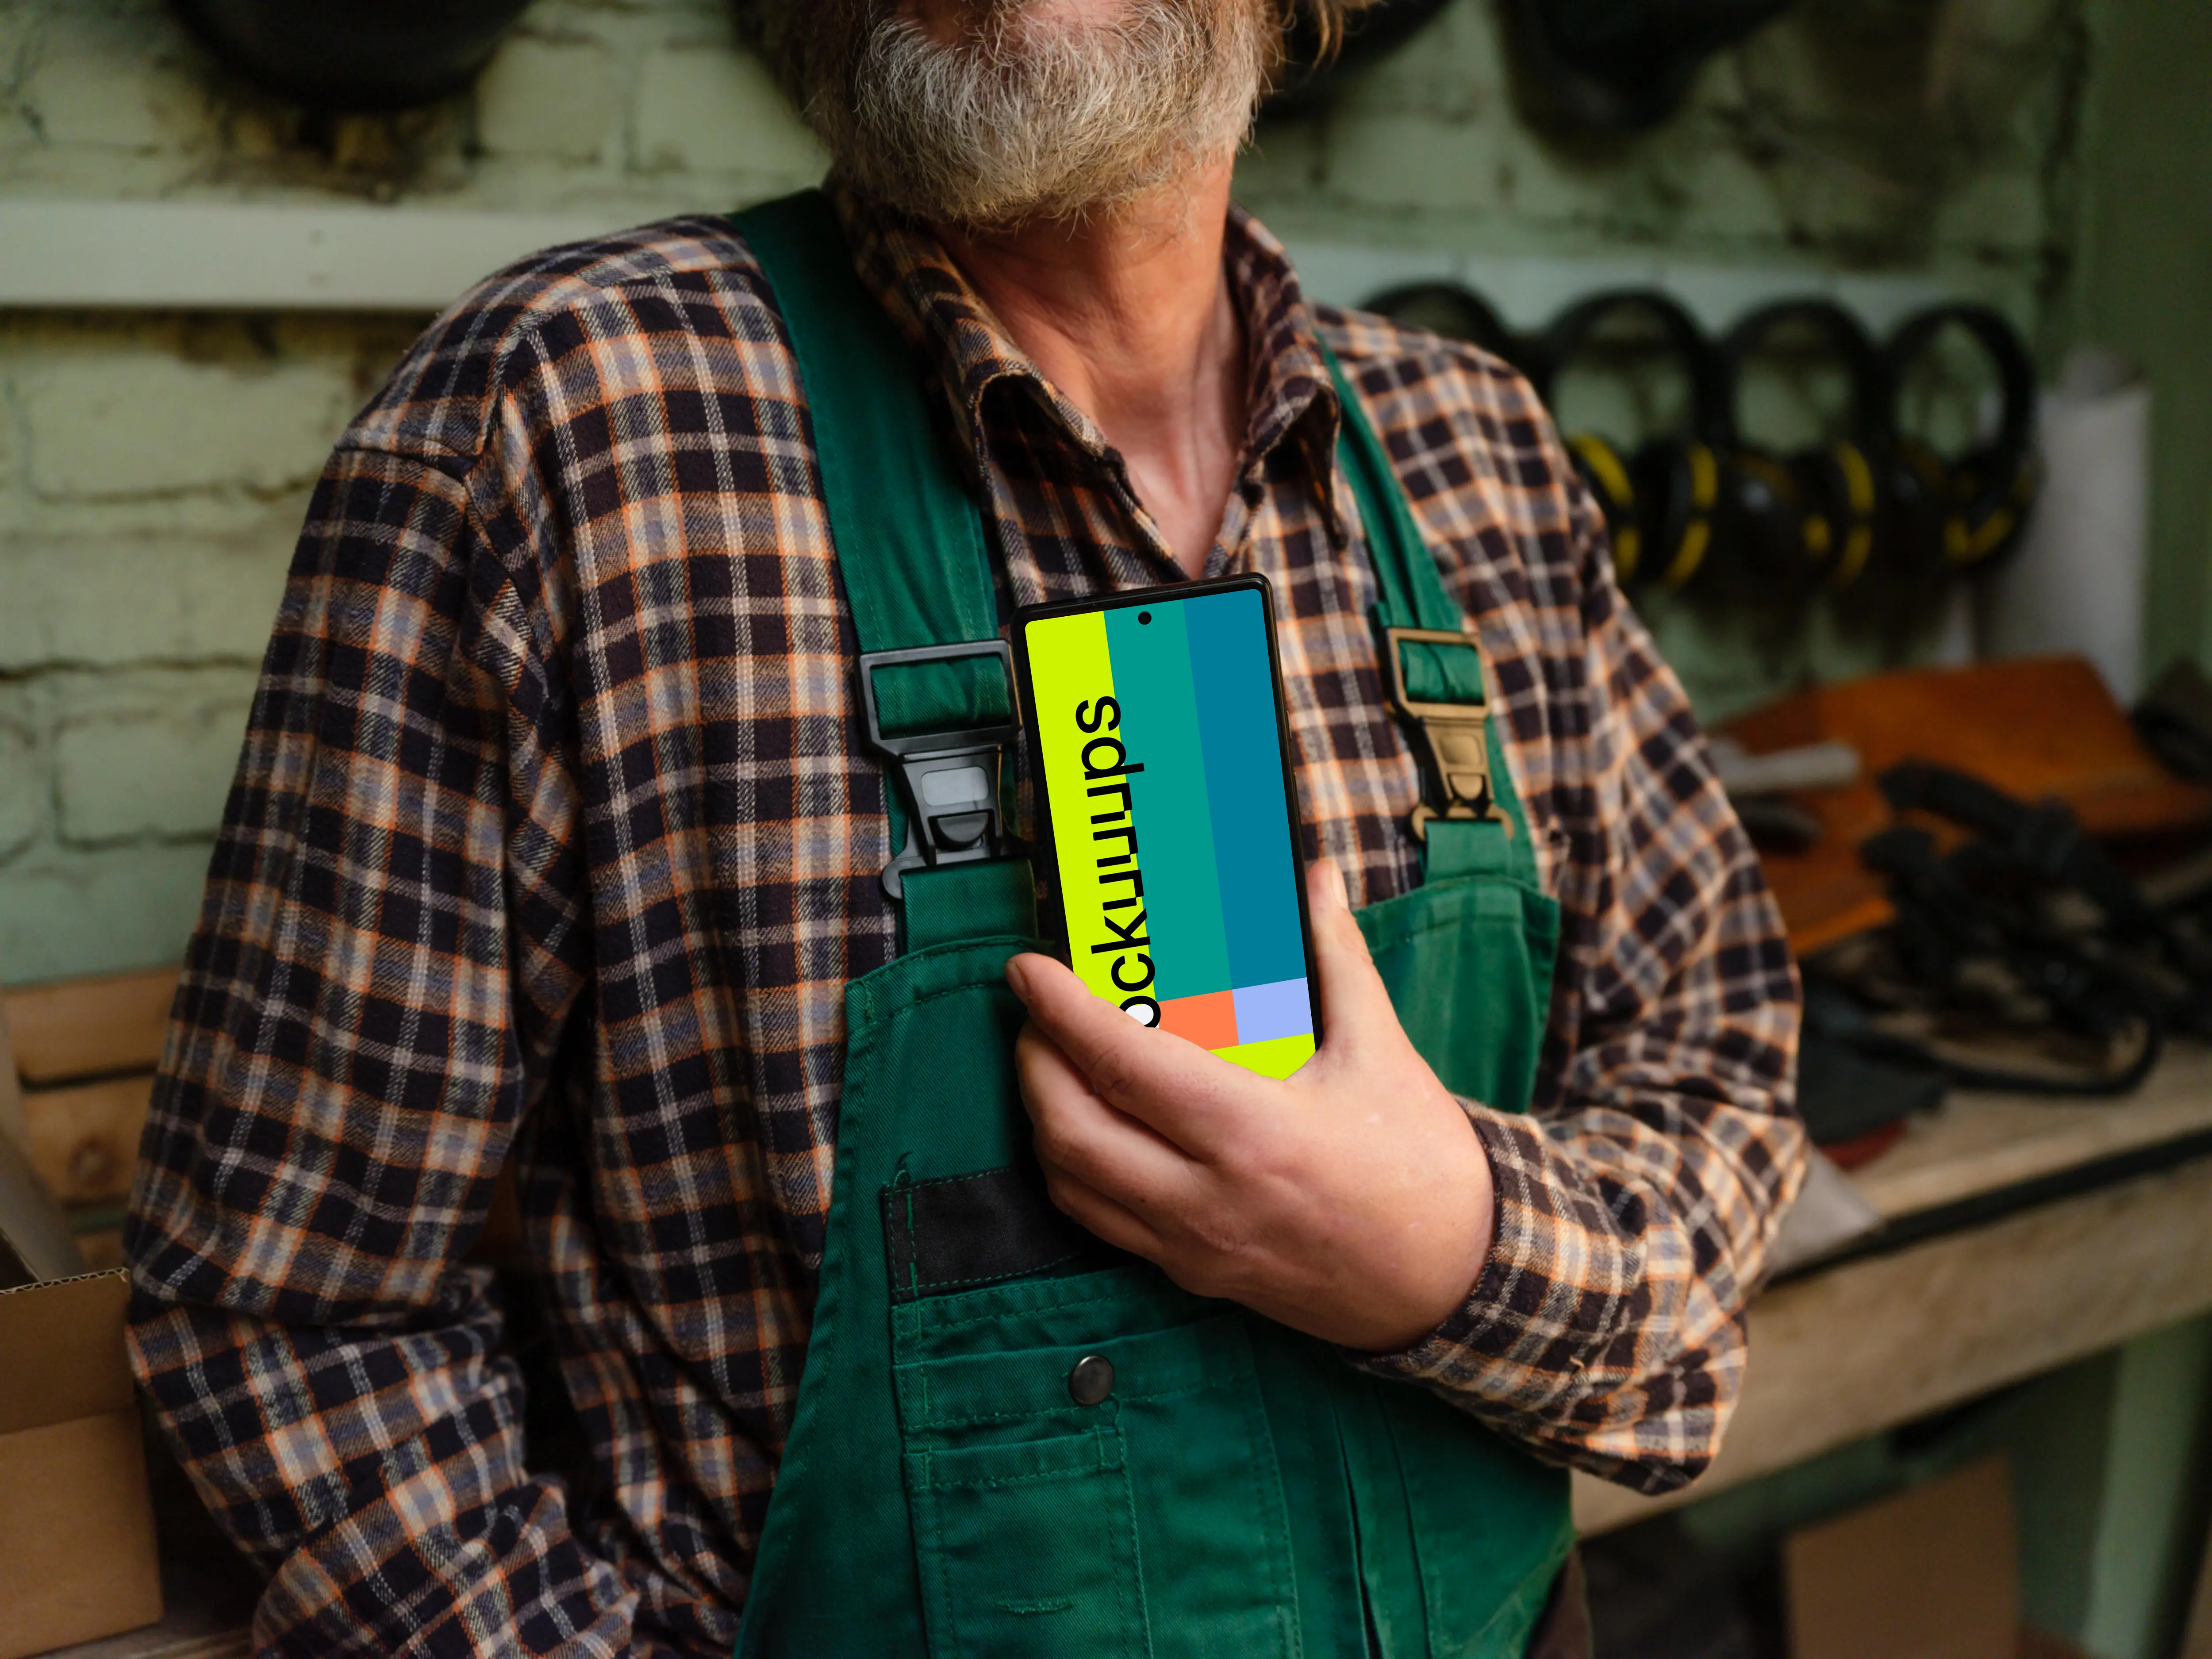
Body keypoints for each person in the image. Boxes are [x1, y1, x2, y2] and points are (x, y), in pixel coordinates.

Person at [123, 0, 1807, 1652]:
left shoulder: (1480, 460)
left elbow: (1719, 1066)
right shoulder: (573, 433)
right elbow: (291, 1312)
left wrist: (1456, 1249)